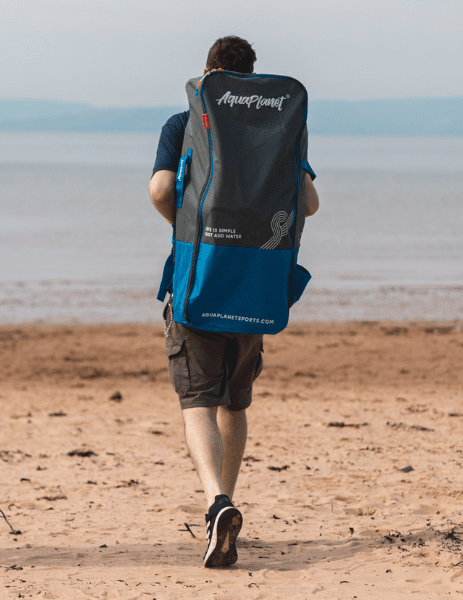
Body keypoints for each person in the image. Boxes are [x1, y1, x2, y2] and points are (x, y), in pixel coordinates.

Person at [147, 35, 319, 568]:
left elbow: (158, 191)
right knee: (235, 400)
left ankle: (216, 503)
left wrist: (189, 224)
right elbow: (309, 202)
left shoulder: (184, 123)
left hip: (199, 281)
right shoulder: (283, 128)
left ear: (209, 74)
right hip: (255, 287)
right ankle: (228, 499)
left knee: (196, 398)